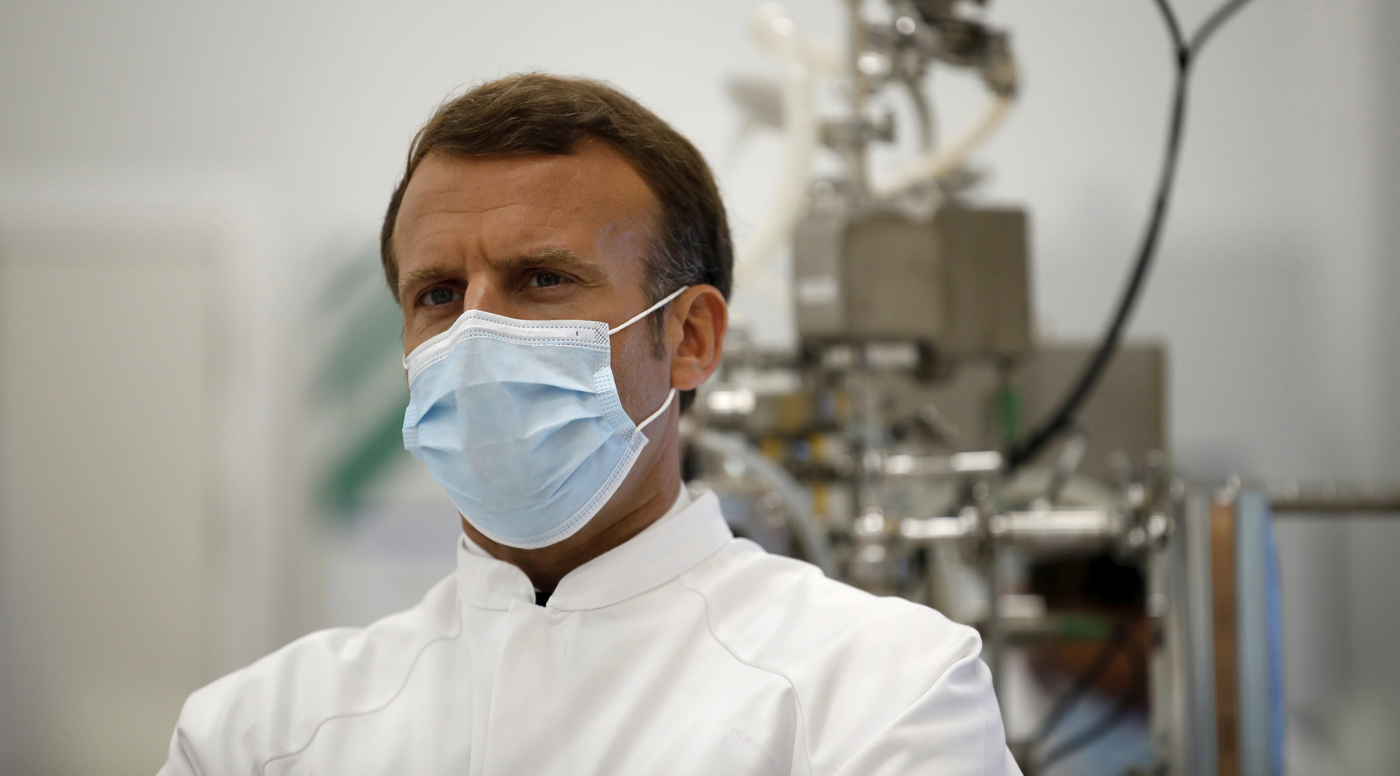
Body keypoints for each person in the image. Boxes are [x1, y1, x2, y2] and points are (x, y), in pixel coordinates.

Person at [159, 73, 1021, 775]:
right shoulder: (258, 734)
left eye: (541, 280)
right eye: (439, 295)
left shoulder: (878, 695)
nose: (475, 335)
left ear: (689, 339)